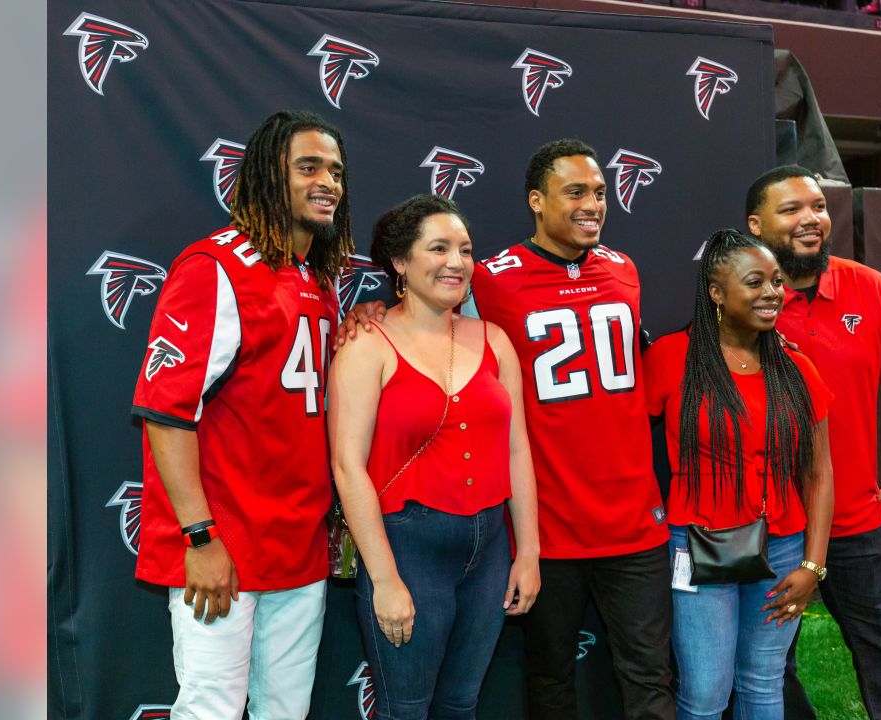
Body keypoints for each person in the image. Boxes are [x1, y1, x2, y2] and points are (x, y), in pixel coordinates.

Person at [339, 139, 675, 719]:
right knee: (458, 694)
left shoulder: (616, 272)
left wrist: (524, 550)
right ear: (537, 201)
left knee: (640, 675)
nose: (593, 203)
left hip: (579, 523)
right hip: (467, 530)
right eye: (576, 192)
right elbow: (351, 460)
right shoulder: (486, 285)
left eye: (599, 191)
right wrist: (365, 307)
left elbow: (515, 437)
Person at [129, 110, 353, 720]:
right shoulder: (215, 267)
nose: (328, 181)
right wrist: (199, 536)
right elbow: (165, 412)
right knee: (211, 708)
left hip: (299, 542)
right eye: (308, 166)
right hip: (223, 539)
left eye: (335, 170)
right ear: (264, 175)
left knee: (285, 709)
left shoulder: (320, 278)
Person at [329, 194, 541, 720]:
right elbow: (346, 467)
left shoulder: (494, 340)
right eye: (439, 248)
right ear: (400, 262)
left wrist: (528, 552)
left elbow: (517, 449)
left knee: (460, 704)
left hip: (489, 549)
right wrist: (384, 578)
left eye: (466, 250)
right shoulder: (366, 345)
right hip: (406, 547)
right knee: (406, 710)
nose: (456, 262)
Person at [744, 165, 881, 720]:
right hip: (768, 527)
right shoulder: (734, 301)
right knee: (767, 669)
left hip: (857, 518)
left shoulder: (870, 288)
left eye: (818, 207)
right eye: (792, 210)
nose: (811, 219)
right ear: (756, 225)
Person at [643, 229, 834, 720]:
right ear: (716, 292)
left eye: (775, 281)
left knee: (764, 682)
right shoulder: (670, 358)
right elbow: (626, 446)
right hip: (699, 544)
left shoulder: (797, 369)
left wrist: (813, 566)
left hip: (784, 546)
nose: (772, 293)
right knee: (705, 693)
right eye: (755, 282)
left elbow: (818, 475)